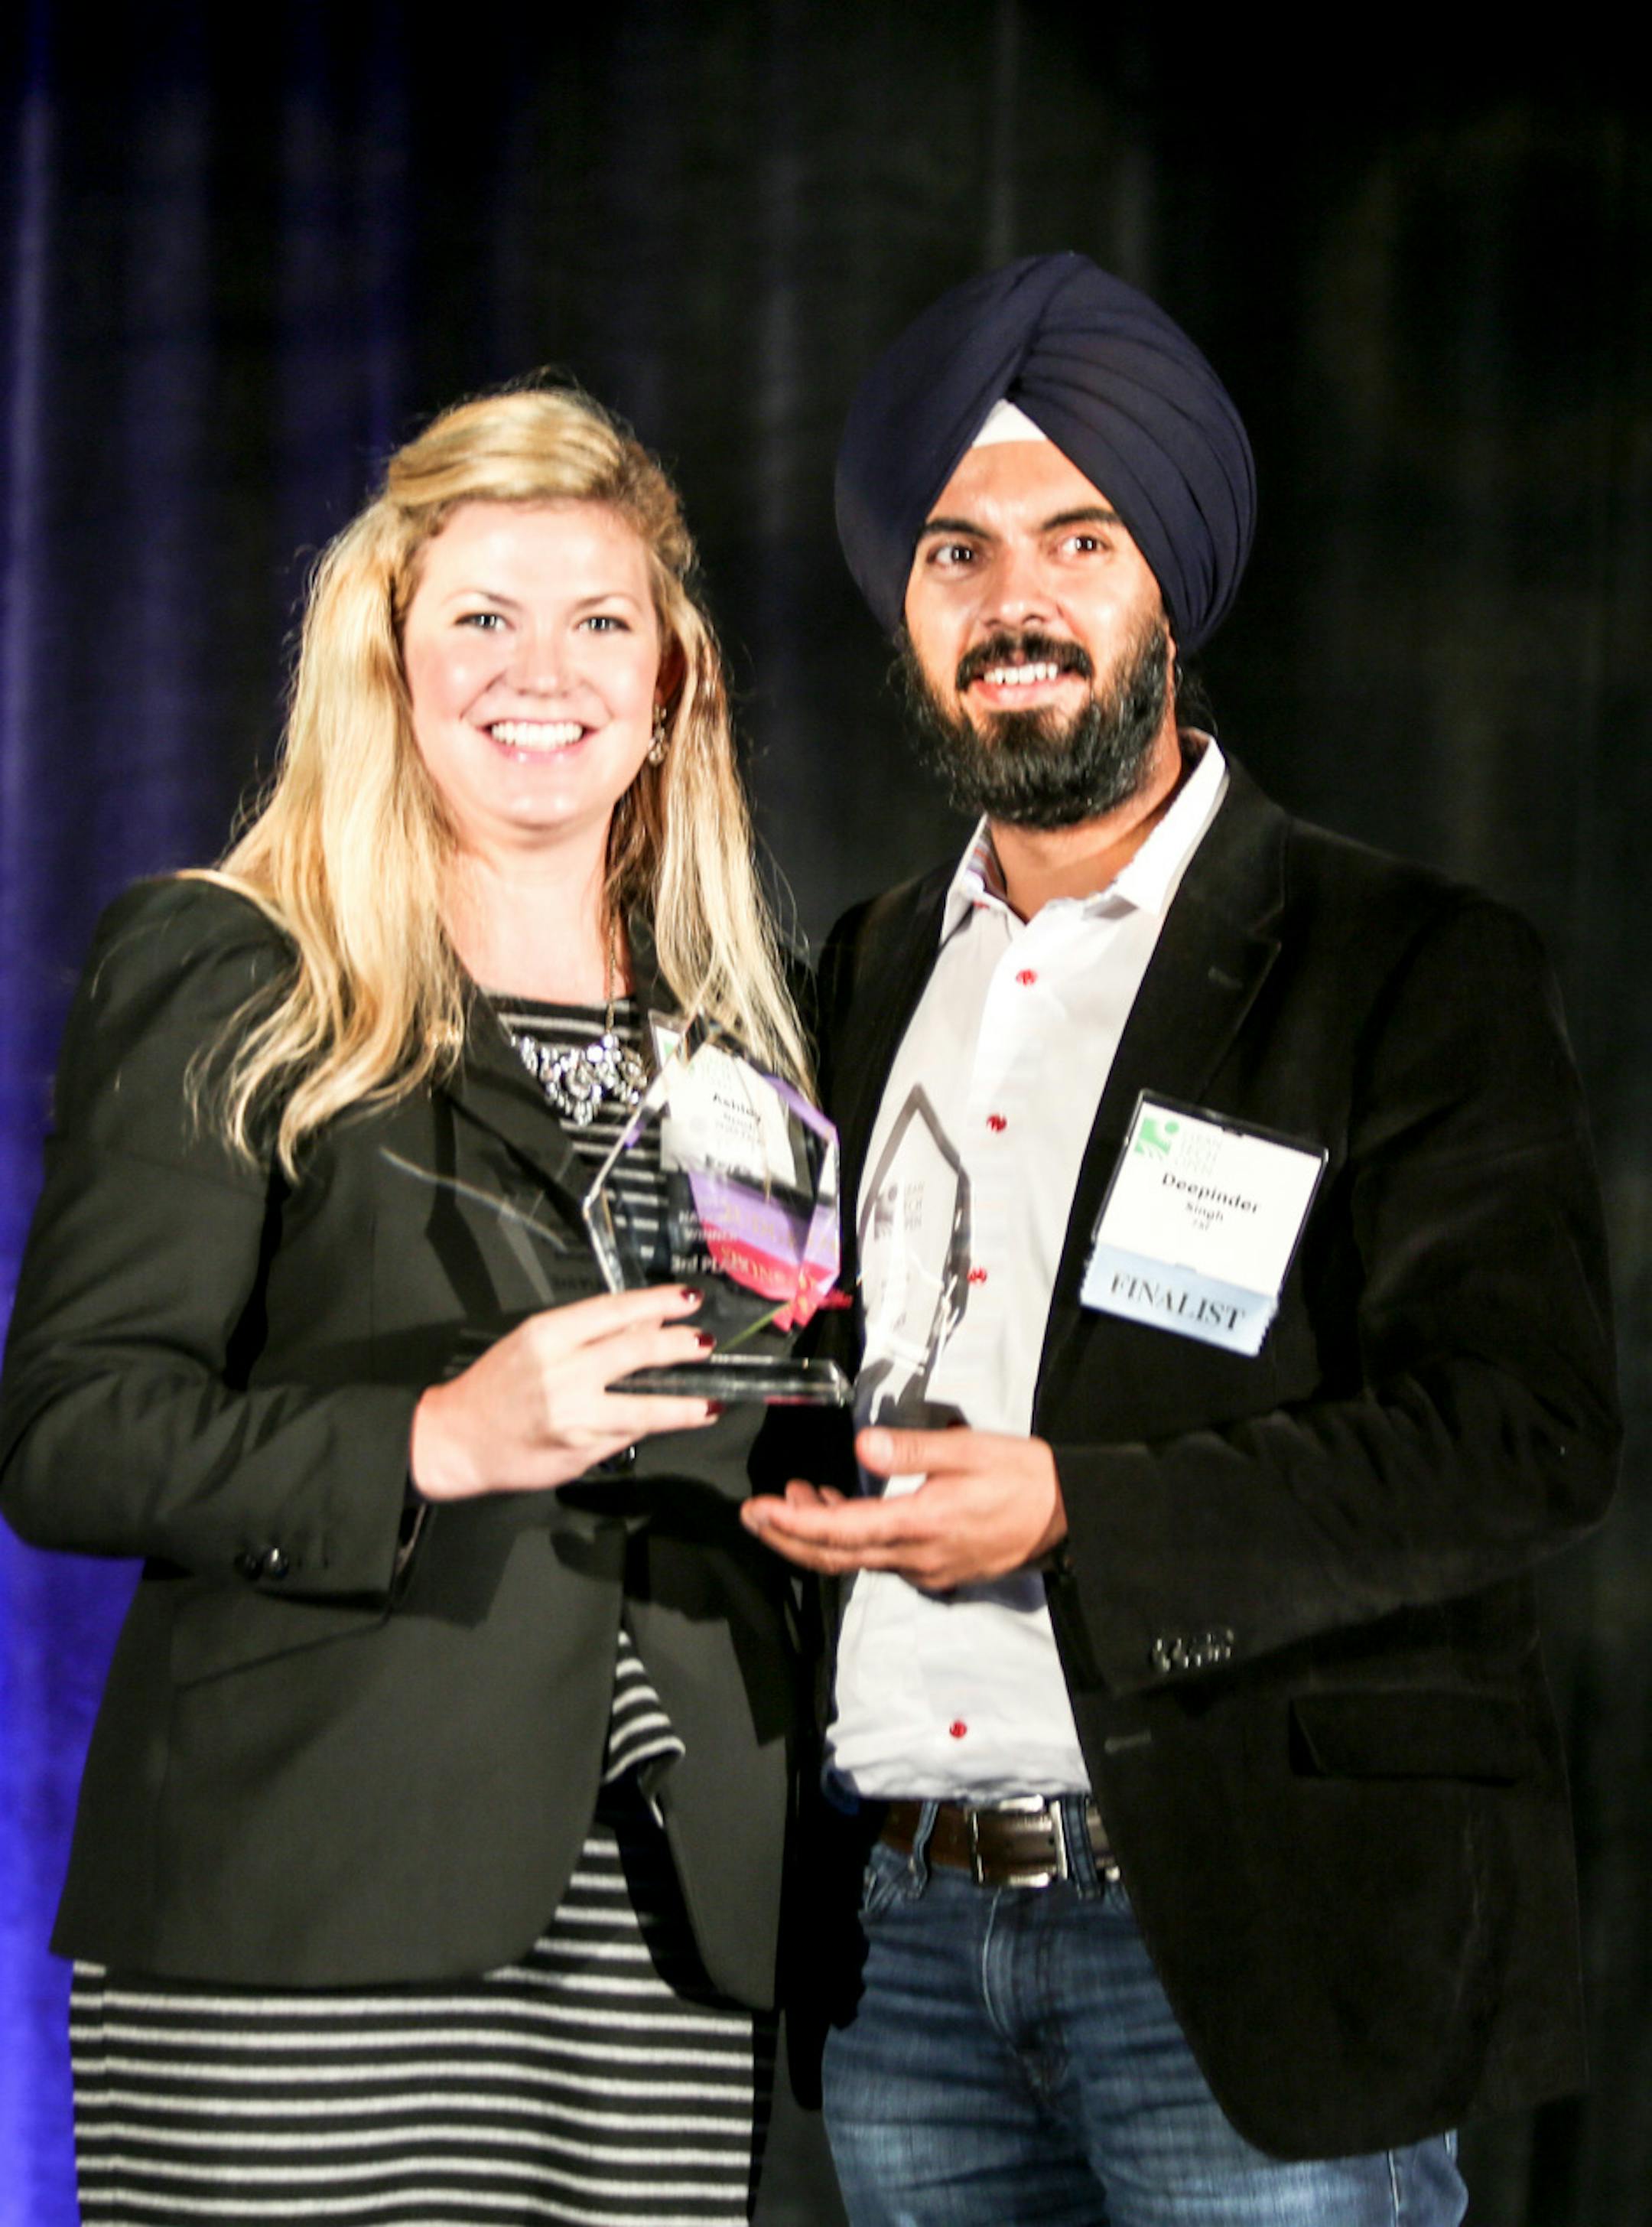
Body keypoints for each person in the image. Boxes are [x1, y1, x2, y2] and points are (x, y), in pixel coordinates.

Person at [742, 252, 1621, 2226]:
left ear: (1171, 583)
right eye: (956, 552)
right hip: (901, 1957)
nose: (1013, 602)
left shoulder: (1411, 965)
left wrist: (1075, 1514)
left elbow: (1525, 1436)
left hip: (1246, 1950)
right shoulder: (862, 975)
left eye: (1079, 535)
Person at [0, 384, 821, 2226]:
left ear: (674, 676)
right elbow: (71, 1435)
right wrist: (435, 1438)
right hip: (304, 1898)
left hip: (671, 1935)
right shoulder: (235, 968)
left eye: (601, 619)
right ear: (389, 659)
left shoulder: (748, 1041)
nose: (547, 671)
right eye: (484, 619)